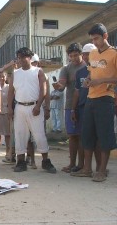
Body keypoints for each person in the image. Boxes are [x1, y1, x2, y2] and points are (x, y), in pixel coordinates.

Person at [74, 23, 117, 182]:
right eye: (92, 39)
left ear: (105, 36)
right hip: (91, 98)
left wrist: (102, 81)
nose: (95, 41)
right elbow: (92, 72)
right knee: (87, 134)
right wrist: (88, 80)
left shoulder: (114, 54)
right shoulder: (92, 54)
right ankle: (86, 169)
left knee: (104, 135)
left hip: (106, 98)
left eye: (97, 38)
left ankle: (101, 170)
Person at [8, 47, 56, 173]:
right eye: (19, 57)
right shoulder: (15, 74)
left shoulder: (38, 71)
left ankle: (45, 161)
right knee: (20, 135)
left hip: (34, 107)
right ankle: (21, 162)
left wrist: (39, 106)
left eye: (24, 57)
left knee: (39, 135)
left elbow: (43, 90)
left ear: (30, 57)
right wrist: (10, 108)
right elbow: (11, 92)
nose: (21, 60)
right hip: (19, 108)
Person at [52, 42, 87, 173]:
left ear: (81, 54)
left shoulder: (87, 67)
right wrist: (58, 86)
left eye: (76, 55)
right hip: (70, 105)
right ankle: (72, 163)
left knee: (84, 136)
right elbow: (62, 85)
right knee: (72, 136)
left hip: (85, 105)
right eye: (71, 56)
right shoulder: (66, 69)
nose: (74, 58)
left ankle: (82, 164)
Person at [70, 43, 98, 175]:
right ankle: (82, 165)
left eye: (89, 53)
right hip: (82, 107)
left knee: (98, 137)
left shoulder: (102, 67)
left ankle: (99, 168)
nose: (87, 56)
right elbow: (76, 92)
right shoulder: (80, 72)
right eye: (85, 54)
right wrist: (73, 109)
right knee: (83, 137)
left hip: (98, 105)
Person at [0, 71, 11, 159]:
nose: (1, 78)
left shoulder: (9, 87)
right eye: (0, 76)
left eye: (3, 76)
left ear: (6, 77)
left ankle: (8, 151)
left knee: (8, 133)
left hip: (7, 112)